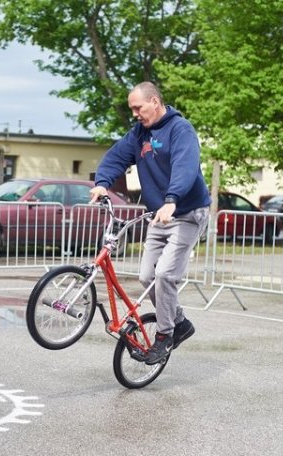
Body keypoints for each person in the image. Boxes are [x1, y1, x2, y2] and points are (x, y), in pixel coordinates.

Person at [90, 81, 211, 365]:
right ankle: (180, 322)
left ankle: (165, 335)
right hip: (160, 214)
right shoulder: (139, 134)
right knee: (147, 277)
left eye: (138, 107)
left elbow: (185, 166)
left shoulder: (180, 129)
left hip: (187, 212)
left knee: (165, 274)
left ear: (154, 102)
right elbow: (116, 157)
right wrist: (102, 183)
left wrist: (172, 199)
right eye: (132, 109)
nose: (135, 113)